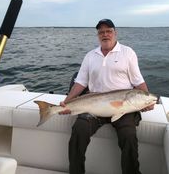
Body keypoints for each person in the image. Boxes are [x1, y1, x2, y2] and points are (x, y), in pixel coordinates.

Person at [59, 19, 154, 174]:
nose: (105, 34)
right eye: (101, 32)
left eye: (108, 31)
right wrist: (66, 102)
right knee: (79, 130)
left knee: (129, 136)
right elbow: (81, 82)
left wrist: (147, 99)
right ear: (98, 35)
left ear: (115, 33)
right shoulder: (90, 56)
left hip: (124, 107)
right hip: (95, 107)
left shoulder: (127, 52)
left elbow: (138, 81)